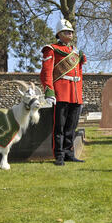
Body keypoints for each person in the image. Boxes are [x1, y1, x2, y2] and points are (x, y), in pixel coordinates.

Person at [40, 19, 86, 166]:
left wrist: (80, 94)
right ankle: (59, 155)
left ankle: (69, 153)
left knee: (71, 127)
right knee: (59, 127)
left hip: (75, 94)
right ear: (59, 34)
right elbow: (47, 72)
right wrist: (49, 92)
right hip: (61, 92)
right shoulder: (51, 49)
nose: (70, 33)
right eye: (66, 31)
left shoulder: (76, 52)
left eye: (71, 31)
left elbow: (79, 73)